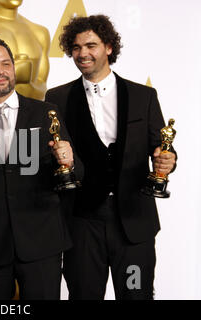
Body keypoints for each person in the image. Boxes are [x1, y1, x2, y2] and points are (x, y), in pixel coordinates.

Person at [45, 14, 177, 300]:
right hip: (82, 224)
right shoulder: (57, 98)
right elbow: (49, 155)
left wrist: (168, 161)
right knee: (84, 295)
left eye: (90, 45)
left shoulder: (144, 96)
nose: (83, 54)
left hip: (133, 225)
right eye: (76, 47)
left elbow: (162, 146)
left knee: (135, 295)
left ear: (108, 47)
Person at [0, 36, 78, 299]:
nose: (0, 71)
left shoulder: (47, 113)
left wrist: (69, 161)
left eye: (6, 64)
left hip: (42, 242)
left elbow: (75, 173)